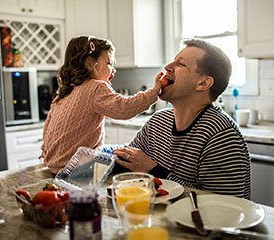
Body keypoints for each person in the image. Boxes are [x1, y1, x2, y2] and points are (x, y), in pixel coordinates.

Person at [113, 39, 251, 200]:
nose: (167, 67)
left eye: (180, 64)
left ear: (203, 83)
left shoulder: (222, 136)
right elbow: (129, 165)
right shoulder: (158, 122)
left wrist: (153, 171)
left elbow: (220, 205)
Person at [40, 36, 162, 174]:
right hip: (79, 167)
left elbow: (47, 129)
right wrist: (154, 92)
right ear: (90, 63)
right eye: (109, 63)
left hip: (55, 165)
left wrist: (46, 152)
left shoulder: (63, 93)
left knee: (117, 149)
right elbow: (124, 108)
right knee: (129, 154)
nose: (113, 70)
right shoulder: (96, 88)